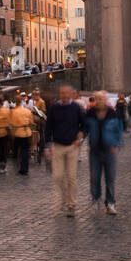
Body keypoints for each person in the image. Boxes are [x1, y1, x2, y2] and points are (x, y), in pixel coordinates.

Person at [43, 85, 86, 217]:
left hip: (72, 146)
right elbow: (48, 127)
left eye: (66, 93)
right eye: (62, 93)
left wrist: (81, 137)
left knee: (71, 177)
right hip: (58, 146)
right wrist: (47, 146)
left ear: (71, 94)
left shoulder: (76, 108)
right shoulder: (54, 108)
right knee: (58, 177)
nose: (64, 95)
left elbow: (84, 125)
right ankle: (64, 197)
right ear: (60, 94)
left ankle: (71, 204)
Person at [85, 92, 121, 215]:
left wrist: (117, 144)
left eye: (101, 99)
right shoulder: (90, 113)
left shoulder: (112, 113)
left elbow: (119, 130)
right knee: (94, 177)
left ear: (105, 100)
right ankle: (95, 200)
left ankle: (110, 203)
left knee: (110, 178)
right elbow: (84, 128)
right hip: (94, 151)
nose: (99, 101)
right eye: (97, 99)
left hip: (109, 150)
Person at [8, 93, 34, 175]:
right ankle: (24, 168)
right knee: (25, 150)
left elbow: (10, 123)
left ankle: (19, 164)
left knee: (18, 148)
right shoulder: (27, 111)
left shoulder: (13, 112)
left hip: (17, 132)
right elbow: (31, 122)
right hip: (26, 132)